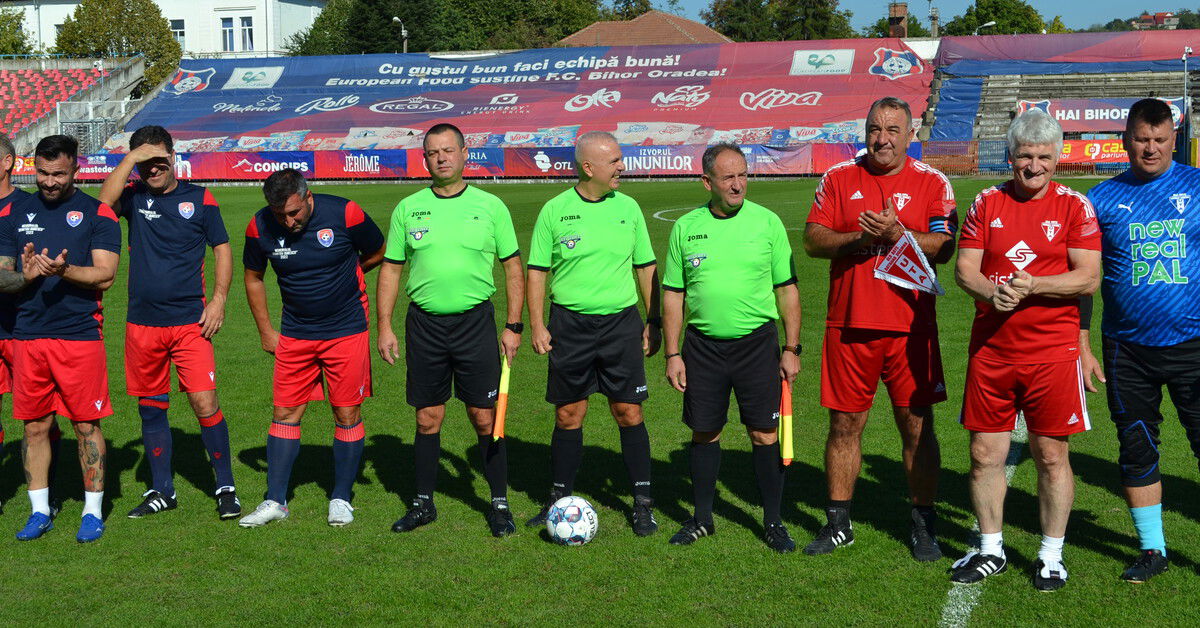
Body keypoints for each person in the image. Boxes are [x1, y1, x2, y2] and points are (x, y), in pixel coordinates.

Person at [951, 109, 1101, 591]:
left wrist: (1034, 285)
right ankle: (991, 549)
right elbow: (965, 270)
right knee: (983, 454)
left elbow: (1089, 277)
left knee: (1052, 456)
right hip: (992, 352)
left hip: (1053, 354)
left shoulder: (1075, 206)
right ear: (1009, 156)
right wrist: (990, 293)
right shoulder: (985, 203)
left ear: (1057, 158)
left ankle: (1051, 555)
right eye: (1024, 157)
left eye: (1043, 157)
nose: (1033, 167)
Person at [803, 96, 957, 561]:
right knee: (844, 425)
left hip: (911, 329)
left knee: (916, 427)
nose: (882, 138)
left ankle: (924, 525)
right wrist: (860, 238)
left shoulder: (932, 181)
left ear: (911, 135)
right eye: (874, 127)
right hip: (848, 325)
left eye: (892, 129)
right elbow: (812, 239)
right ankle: (838, 525)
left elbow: (946, 245)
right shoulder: (839, 177)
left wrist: (896, 236)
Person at [377, 123, 525, 538]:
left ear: (464, 154)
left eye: (447, 150)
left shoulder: (491, 206)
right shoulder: (408, 208)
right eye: (432, 152)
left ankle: (498, 503)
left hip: (476, 323)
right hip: (423, 325)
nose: (440, 158)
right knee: (428, 417)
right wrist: (384, 326)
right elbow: (390, 268)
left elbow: (513, 267)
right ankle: (423, 503)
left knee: (484, 416)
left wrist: (514, 325)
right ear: (424, 159)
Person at [1079, 97, 1200, 583]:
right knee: (1136, 446)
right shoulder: (1101, 198)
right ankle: (1153, 551)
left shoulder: (1197, 187)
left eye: (1160, 139)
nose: (1150, 148)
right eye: (1141, 139)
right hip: (1126, 348)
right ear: (1126, 139)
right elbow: (1085, 280)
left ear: (1175, 139)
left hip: (1193, 343)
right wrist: (1082, 344)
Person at [661, 143, 801, 553]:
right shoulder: (686, 227)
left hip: (758, 345)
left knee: (762, 432)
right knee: (705, 431)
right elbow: (673, 294)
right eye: (728, 177)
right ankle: (702, 518)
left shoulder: (768, 223)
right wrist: (673, 353)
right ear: (707, 182)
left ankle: (773, 521)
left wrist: (792, 347)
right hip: (702, 347)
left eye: (743, 174)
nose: (738, 184)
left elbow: (787, 289)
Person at [97, 125, 239, 520]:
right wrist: (130, 160)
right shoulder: (133, 195)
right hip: (142, 324)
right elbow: (102, 206)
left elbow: (222, 250)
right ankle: (162, 490)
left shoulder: (200, 198)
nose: (152, 169)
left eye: (158, 159)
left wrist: (219, 300)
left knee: (204, 401)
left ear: (172, 156)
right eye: (145, 162)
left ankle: (225, 486)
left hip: (190, 323)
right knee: (151, 407)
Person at [524, 131, 661, 535]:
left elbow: (646, 268)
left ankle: (642, 503)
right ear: (589, 168)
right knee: (569, 414)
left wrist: (653, 321)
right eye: (615, 161)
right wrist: (537, 323)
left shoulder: (630, 208)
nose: (623, 166)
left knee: (629, 411)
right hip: (570, 325)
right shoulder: (555, 210)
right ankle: (558, 500)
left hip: (621, 324)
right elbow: (537, 271)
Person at [239, 169, 384, 527]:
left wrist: (352, 274)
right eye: (279, 214)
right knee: (284, 413)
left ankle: (341, 497)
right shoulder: (258, 227)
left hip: (346, 329)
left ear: (308, 197)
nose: (287, 221)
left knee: (346, 413)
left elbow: (379, 249)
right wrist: (266, 331)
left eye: (294, 212)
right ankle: (275, 500)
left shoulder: (345, 213)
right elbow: (253, 278)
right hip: (295, 333)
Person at [0, 134, 121, 542]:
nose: (49, 182)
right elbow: (2, 274)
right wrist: (27, 275)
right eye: (42, 172)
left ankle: (92, 512)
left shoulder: (97, 213)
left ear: (76, 170)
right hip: (29, 336)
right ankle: (39, 512)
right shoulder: (15, 213)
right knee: (34, 427)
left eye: (59, 174)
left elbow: (105, 274)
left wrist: (63, 271)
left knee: (86, 425)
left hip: (79, 336)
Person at [0, 134, 63, 514]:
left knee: (39, 418)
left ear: (7, 163)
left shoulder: (28, 207)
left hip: (25, 326)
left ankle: (47, 492)